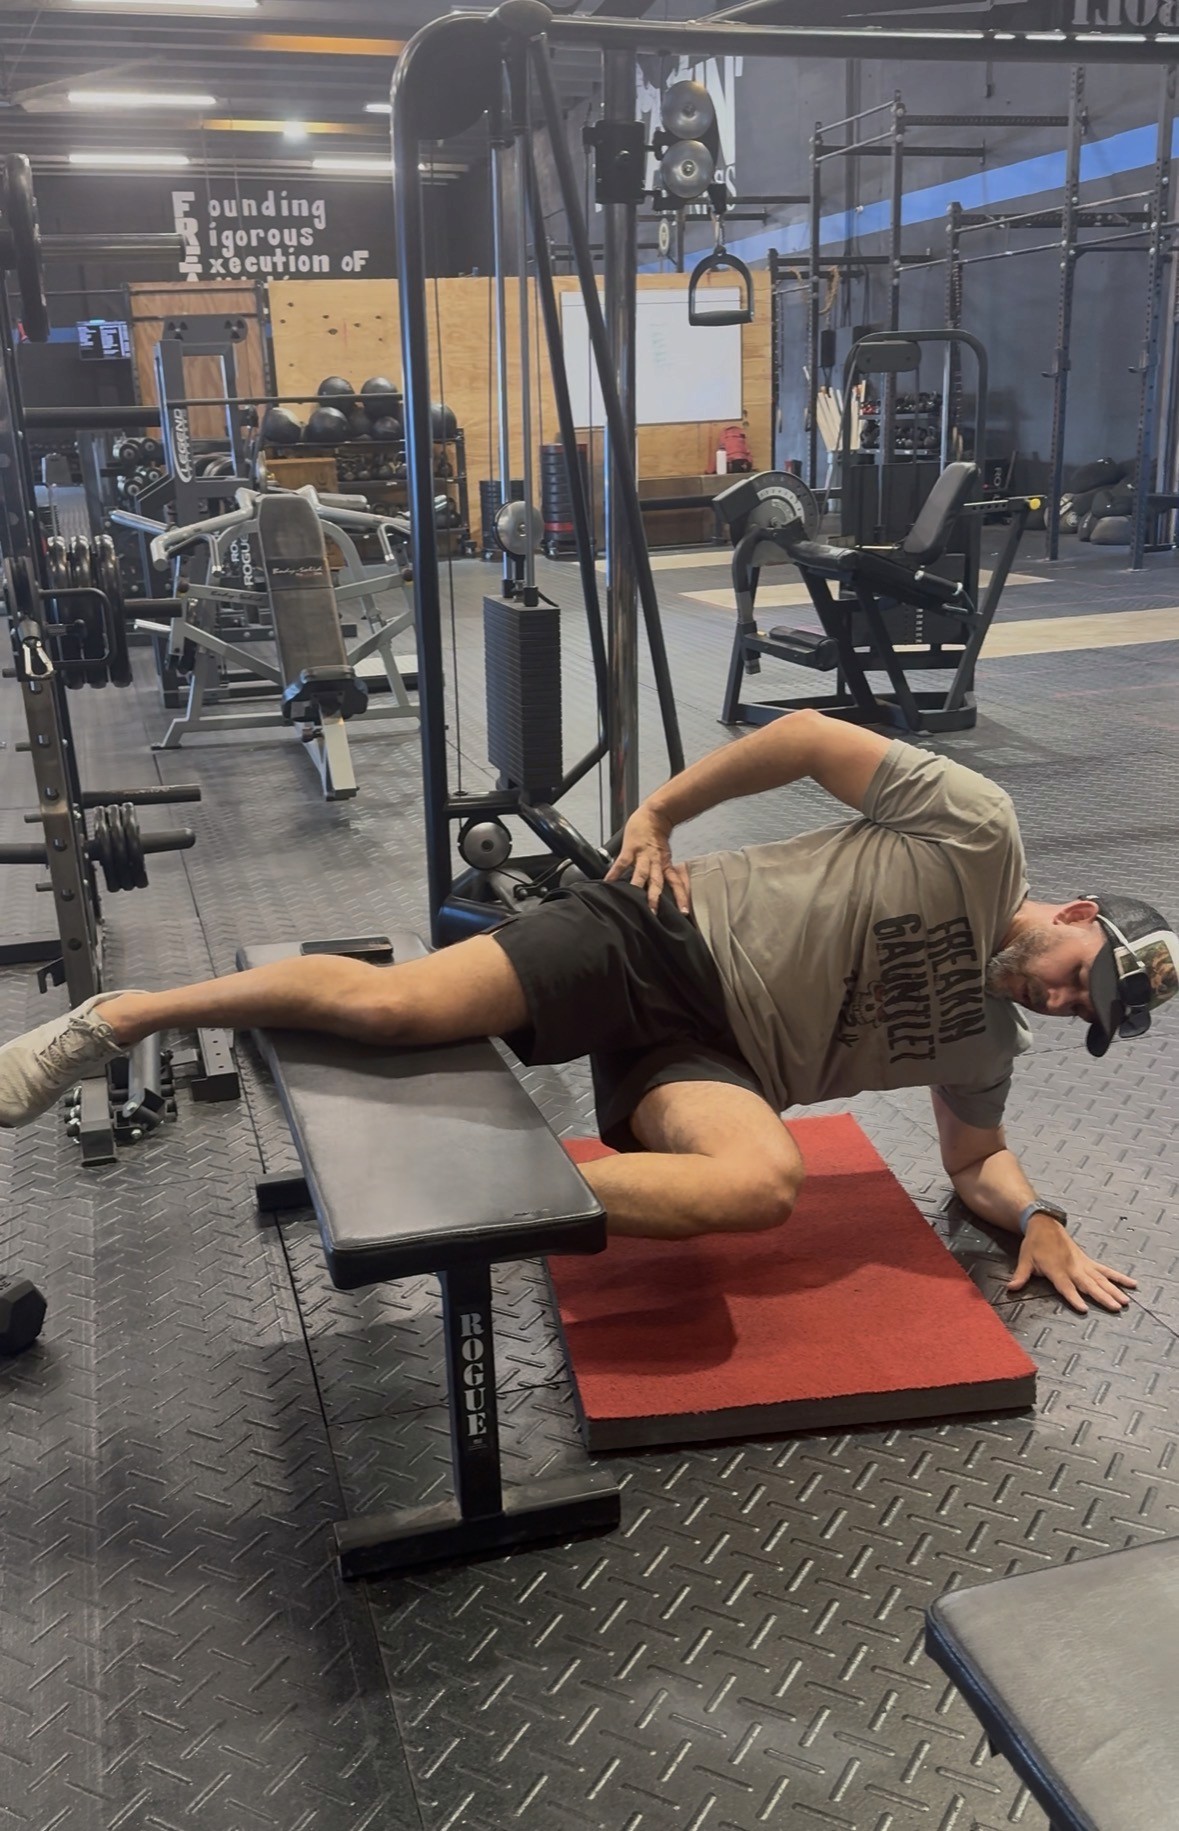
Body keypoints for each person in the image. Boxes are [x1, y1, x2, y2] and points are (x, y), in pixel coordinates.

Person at [2, 711, 1174, 1316]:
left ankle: (451, 1205)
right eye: (1082, 970)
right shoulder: (980, 832)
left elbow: (976, 1161)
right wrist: (657, 814)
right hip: (653, 936)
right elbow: (810, 740)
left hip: (704, 1065)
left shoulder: (988, 1042)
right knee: (399, 1010)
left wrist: (1039, 1219)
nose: (1065, 998)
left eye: (1088, 1012)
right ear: (1075, 910)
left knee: (764, 1184)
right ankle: (120, 1015)